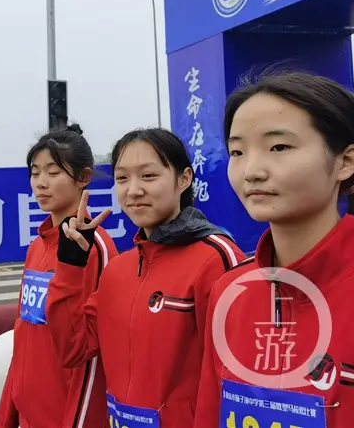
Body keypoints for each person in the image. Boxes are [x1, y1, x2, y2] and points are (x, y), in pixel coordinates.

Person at [194, 72, 354, 428]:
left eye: (278, 147)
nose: (251, 171)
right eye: (237, 152)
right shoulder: (229, 292)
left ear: (345, 161)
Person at [47, 128, 245, 426]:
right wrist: (70, 268)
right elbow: (73, 350)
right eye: (122, 178)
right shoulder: (118, 269)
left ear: (184, 179)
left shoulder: (216, 258)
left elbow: (233, 379)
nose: (133, 190)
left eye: (149, 176)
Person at [0, 124, 119, 428]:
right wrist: (9, 413)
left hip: (64, 415)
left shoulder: (95, 248)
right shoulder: (37, 247)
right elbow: (24, 331)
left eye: (53, 173)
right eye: (35, 172)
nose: (41, 183)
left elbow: (92, 359)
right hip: (29, 412)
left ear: (84, 178)